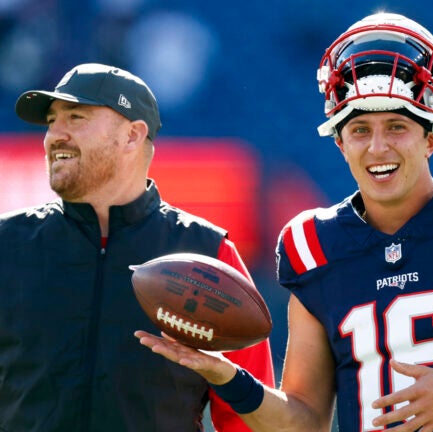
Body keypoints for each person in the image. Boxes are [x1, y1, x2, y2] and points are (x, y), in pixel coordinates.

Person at [136, 12, 433, 432]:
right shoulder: (314, 245)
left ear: (431, 136)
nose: (377, 148)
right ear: (339, 143)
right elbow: (305, 420)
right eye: (359, 130)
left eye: (396, 126)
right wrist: (228, 375)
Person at [0, 63, 275, 431]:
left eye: (76, 117)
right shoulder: (8, 245)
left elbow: (249, 422)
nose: (54, 136)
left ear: (132, 135)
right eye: (51, 121)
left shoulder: (208, 253)